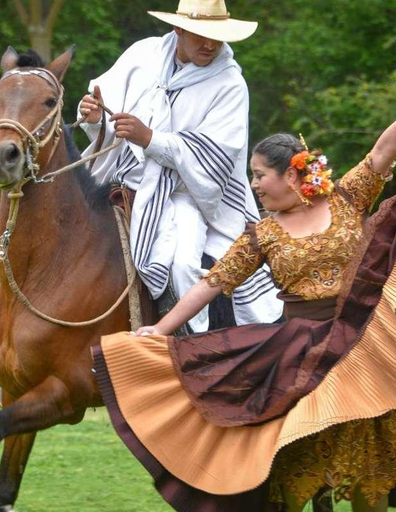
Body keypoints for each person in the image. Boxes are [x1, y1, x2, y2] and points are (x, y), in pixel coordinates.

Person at [91, 103, 396, 511]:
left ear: (293, 174)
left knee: (367, 483)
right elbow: (212, 284)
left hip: (365, 349)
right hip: (297, 355)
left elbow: (380, 154)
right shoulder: (262, 233)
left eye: (260, 175)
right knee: (291, 483)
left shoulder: (348, 199)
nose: (255, 185)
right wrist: (161, 330)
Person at [76, 0, 282, 333]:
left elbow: (216, 157)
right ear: (179, 29)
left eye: (217, 36)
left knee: (183, 263)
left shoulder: (230, 84)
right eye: (201, 34)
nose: (210, 44)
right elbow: (107, 114)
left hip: (191, 195)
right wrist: (95, 119)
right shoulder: (142, 56)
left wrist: (151, 139)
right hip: (124, 177)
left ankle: (190, 346)